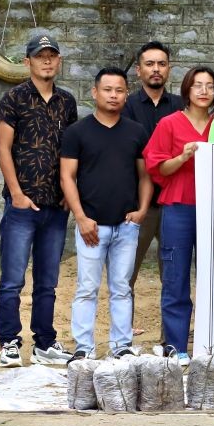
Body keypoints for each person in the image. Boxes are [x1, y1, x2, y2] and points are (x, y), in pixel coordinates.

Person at [0, 34, 77, 367]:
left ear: (58, 61)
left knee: (48, 281)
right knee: (13, 279)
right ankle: (9, 342)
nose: (47, 61)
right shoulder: (13, 99)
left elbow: (72, 152)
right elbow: (3, 149)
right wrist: (15, 193)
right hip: (21, 206)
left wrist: (72, 196)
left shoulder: (66, 102)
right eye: (40, 56)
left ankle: (45, 342)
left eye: (52, 56)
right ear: (27, 62)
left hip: (55, 207)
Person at [61, 67, 152, 362]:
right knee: (87, 288)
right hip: (92, 226)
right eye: (108, 89)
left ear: (126, 94)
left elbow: (145, 176)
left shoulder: (136, 132)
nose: (113, 95)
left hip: (126, 225)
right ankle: (84, 348)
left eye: (120, 90)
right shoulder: (77, 132)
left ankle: (121, 345)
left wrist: (142, 210)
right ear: (95, 92)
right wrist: (81, 217)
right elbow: (67, 177)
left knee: (121, 288)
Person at [142, 66, 214, 364]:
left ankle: (213, 342)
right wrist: (184, 156)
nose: (203, 91)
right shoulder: (169, 124)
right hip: (179, 205)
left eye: (209, 86)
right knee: (175, 275)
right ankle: (176, 344)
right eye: (197, 85)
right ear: (186, 90)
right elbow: (157, 168)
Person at [121, 41, 184, 336]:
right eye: (150, 64)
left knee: (172, 275)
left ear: (168, 69)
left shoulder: (180, 107)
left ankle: (168, 337)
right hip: (137, 204)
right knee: (126, 275)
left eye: (161, 64)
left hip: (173, 203)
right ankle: (124, 335)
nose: (156, 69)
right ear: (138, 70)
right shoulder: (126, 106)